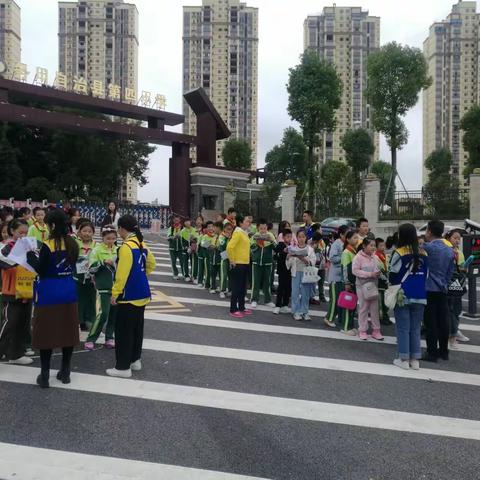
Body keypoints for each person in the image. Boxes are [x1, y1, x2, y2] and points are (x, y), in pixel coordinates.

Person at [26, 210, 80, 388]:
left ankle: (44, 375)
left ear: (53, 225)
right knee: (67, 331)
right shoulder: (73, 243)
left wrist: (30, 257)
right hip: (68, 290)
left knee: (46, 334)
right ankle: (65, 372)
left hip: (49, 292)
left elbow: (41, 270)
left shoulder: (48, 245)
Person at [107, 215, 156, 378]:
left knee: (123, 331)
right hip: (142, 293)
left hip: (129, 294)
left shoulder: (126, 247)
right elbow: (151, 264)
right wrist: (141, 274)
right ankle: (135, 360)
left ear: (122, 228)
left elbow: (121, 274)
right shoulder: (141, 244)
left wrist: (115, 293)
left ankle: (122, 368)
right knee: (137, 329)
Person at [389, 223, 428, 370]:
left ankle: (403, 358)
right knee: (415, 328)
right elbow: (427, 275)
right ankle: (415, 359)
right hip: (420, 293)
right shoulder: (424, 252)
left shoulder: (399, 252)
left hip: (402, 293)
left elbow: (393, 275)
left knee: (403, 328)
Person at [0, 219, 36, 365]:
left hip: (27, 290)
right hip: (11, 291)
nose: (23, 235)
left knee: (23, 323)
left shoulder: (30, 247)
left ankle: (16, 354)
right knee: (10, 323)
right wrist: (20, 259)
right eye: (20, 232)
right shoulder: (7, 247)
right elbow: (3, 263)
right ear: (12, 231)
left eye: (26, 233)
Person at [422, 220, 455, 362]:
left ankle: (432, 353)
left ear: (429, 231)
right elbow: (450, 271)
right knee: (443, 321)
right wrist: (444, 284)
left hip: (429, 288)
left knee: (431, 322)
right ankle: (444, 351)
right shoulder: (449, 250)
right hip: (442, 289)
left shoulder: (427, 248)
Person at [84, 225, 118, 350]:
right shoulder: (97, 250)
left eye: (113, 238)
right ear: (103, 237)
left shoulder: (118, 250)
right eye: (108, 238)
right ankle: (91, 338)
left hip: (116, 287)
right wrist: (102, 263)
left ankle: (109, 337)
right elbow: (90, 268)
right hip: (102, 286)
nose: (111, 241)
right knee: (103, 314)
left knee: (114, 314)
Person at [352, 238, 383, 341]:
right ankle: (362, 330)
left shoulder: (375, 257)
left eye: (374, 245)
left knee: (375, 309)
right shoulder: (358, 257)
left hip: (373, 286)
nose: (373, 247)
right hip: (361, 286)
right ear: (364, 246)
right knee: (364, 308)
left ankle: (376, 330)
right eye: (371, 245)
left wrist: (377, 273)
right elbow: (355, 271)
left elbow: (378, 268)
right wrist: (370, 274)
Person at [445, 229, 469, 349]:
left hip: (458, 285)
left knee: (456, 311)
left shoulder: (459, 253)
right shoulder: (446, 251)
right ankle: (450, 336)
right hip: (448, 286)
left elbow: (462, 268)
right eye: (455, 238)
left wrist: (464, 270)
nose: (457, 240)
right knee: (449, 311)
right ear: (448, 238)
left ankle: (453, 334)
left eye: (459, 238)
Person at [287, 229, 317, 321]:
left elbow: (313, 261)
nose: (301, 239)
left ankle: (305, 312)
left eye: (303, 237)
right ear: (297, 237)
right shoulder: (293, 248)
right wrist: (289, 257)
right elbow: (289, 264)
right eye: (299, 237)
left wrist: (304, 259)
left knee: (305, 293)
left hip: (306, 272)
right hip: (296, 272)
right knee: (295, 292)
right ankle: (296, 312)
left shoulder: (310, 249)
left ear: (306, 238)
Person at [226, 214, 252, 318]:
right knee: (236, 287)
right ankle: (233, 309)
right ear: (241, 223)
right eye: (246, 221)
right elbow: (229, 247)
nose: (248, 222)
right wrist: (232, 260)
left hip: (245, 263)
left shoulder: (243, 233)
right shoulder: (237, 232)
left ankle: (242, 307)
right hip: (238, 263)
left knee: (242, 287)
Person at [325, 225, 349, 329]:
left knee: (341, 299)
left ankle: (340, 318)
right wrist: (344, 256)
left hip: (342, 277)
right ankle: (329, 318)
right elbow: (332, 258)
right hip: (335, 277)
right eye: (347, 234)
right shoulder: (337, 244)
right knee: (334, 299)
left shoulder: (345, 244)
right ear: (341, 234)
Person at [74, 220, 97, 332]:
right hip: (77, 277)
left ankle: (90, 321)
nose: (87, 233)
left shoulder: (97, 246)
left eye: (89, 231)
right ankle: (79, 321)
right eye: (84, 231)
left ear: (93, 233)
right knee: (78, 299)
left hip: (91, 278)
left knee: (91, 299)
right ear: (79, 232)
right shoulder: (75, 244)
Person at [250, 219, 276, 308]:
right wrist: (257, 243)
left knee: (267, 282)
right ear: (258, 228)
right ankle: (254, 299)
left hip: (268, 263)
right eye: (261, 228)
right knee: (256, 282)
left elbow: (276, 247)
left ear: (267, 228)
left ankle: (268, 300)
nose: (263, 230)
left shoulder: (270, 235)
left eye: (264, 228)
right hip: (256, 262)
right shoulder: (255, 236)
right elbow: (251, 248)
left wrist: (271, 240)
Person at [340, 230, 360, 335]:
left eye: (357, 237)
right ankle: (346, 327)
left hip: (354, 281)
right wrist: (347, 282)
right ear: (348, 239)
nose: (356, 240)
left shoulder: (354, 251)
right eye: (354, 238)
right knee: (348, 305)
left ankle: (351, 325)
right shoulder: (346, 252)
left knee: (352, 304)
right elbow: (345, 268)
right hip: (349, 283)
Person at [273, 228, 293, 314]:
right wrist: (282, 252)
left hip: (289, 270)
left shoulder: (291, 246)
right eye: (287, 237)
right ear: (283, 237)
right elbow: (275, 256)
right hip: (281, 270)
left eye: (290, 237)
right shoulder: (280, 245)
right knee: (281, 288)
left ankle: (285, 305)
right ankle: (278, 305)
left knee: (288, 288)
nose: (289, 238)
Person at [375, 237, 392, 326]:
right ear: (376, 247)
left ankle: (385, 316)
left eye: (384, 245)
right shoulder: (375, 256)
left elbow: (387, 266)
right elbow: (378, 270)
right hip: (380, 282)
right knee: (381, 302)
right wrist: (385, 278)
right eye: (381, 245)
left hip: (385, 281)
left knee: (386, 301)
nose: (383, 247)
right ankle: (382, 317)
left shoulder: (385, 255)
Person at [199, 221, 217, 290]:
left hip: (214, 257)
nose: (210, 228)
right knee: (207, 271)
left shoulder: (216, 236)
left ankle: (213, 285)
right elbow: (202, 244)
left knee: (213, 272)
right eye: (209, 227)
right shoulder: (205, 236)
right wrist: (210, 245)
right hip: (207, 257)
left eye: (212, 226)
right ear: (206, 228)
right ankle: (207, 284)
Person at [219, 223, 234, 299]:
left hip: (231, 258)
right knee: (224, 275)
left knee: (231, 275)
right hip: (224, 257)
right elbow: (222, 245)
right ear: (224, 229)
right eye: (227, 229)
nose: (229, 231)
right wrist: (226, 238)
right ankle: (222, 290)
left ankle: (230, 290)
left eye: (231, 229)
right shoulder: (221, 236)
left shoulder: (233, 237)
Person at [312, 231, 327, 303]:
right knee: (313, 281)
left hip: (322, 265)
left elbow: (324, 252)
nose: (321, 240)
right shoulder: (311, 243)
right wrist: (314, 248)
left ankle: (322, 296)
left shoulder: (322, 242)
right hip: (314, 265)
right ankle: (311, 296)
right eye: (319, 240)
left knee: (321, 281)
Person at [209, 221, 224, 293]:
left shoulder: (223, 236)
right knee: (212, 274)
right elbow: (211, 245)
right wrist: (210, 246)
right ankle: (213, 287)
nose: (213, 229)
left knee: (221, 275)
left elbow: (223, 247)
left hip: (220, 258)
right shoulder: (214, 236)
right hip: (213, 258)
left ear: (218, 228)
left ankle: (222, 288)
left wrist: (216, 247)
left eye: (214, 227)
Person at [167, 215, 183, 280]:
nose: (176, 221)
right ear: (173, 220)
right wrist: (173, 237)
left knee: (182, 262)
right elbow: (168, 237)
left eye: (178, 220)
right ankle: (175, 274)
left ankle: (185, 274)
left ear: (180, 220)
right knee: (173, 262)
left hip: (180, 248)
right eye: (175, 220)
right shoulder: (171, 228)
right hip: (172, 248)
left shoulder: (182, 229)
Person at [180, 218, 196, 283]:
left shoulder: (194, 230)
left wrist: (193, 247)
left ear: (190, 221)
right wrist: (186, 247)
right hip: (185, 249)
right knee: (185, 262)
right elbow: (182, 241)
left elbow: (196, 239)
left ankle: (193, 275)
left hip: (193, 249)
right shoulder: (182, 231)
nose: (187, 223)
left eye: (188, 221)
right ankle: (186, 275)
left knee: (193, 263)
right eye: (185, 221)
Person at [191, 216, 204, 284]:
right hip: (194, 248)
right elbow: (191, 239)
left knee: (201, 264)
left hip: (201, 249)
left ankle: (200, 277)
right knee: (194, 263)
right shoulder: (193, 229)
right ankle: (194, 276)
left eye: (200, 220)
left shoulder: (204, 230)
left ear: (203, 221)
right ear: (195, 221)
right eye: (197, 220)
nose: (199, 221)